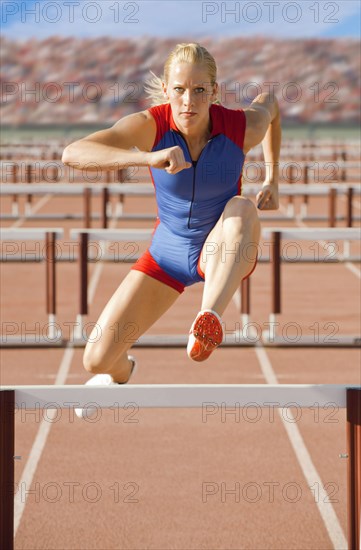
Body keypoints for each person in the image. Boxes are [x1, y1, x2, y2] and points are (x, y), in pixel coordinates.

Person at [62, 42, 281, 400]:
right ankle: (125, 370)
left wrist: (272, 178)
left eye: (198, 91)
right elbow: (73, 153)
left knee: (243, 208)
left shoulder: (240, 127)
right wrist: (148, 157)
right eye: (179, 90)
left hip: (221, 248)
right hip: (167, 254)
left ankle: (206, 320)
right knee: (97, 361)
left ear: (214, 91)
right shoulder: (151, 124)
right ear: (166, 90)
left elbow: (270, 105)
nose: (188, 102)